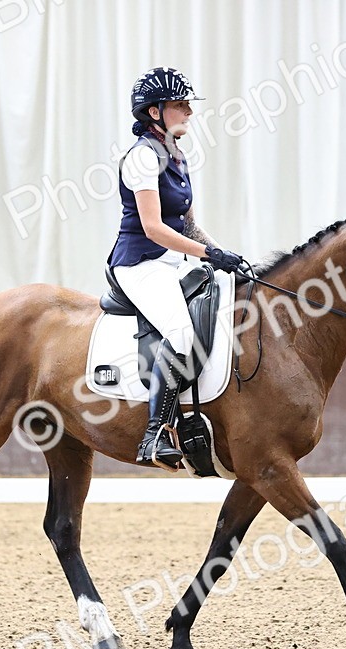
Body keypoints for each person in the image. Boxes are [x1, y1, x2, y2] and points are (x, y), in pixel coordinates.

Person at [107, 67, 245, 469]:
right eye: (179, 105)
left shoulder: (177, 155)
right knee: (182, 334)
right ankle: (153, 435)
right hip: (139, 263)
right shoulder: (140, 158)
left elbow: (187, 224)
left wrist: (225, 254)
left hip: (173, 259)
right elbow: (154, 228)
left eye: (187, 104)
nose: (188, 111)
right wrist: (208, 256)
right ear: (154, 113)